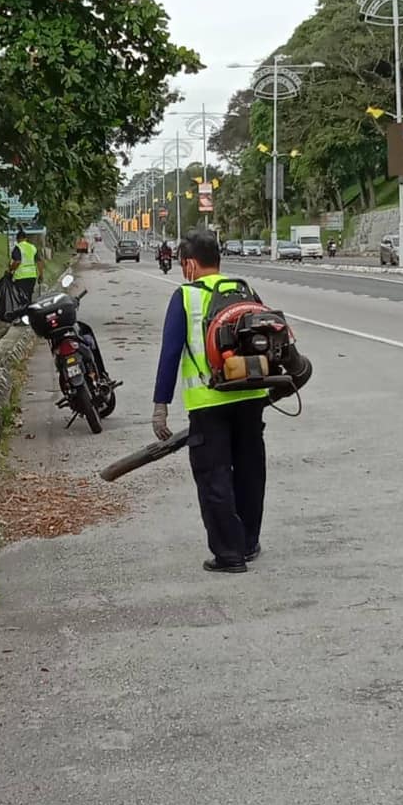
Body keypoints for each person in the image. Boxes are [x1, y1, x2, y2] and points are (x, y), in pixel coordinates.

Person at [152, 231, 269, 574]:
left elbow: (170, 353)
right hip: (251, 393)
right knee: (250, 471)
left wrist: (161, 405)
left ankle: (229, 554)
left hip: (208, 402)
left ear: (189, 264)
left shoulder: (186, 296)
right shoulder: (243, 289)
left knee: (214, 476)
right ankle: (248, 543)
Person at [10, 228, 43, 302]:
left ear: (17, 239)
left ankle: (23, 312)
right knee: (29, 296)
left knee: (21, 298)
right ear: (26, 238)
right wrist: (41, 275)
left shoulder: (18, 247)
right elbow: (39, 262)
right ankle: (28, 310)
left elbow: (17, 262)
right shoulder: (32, 247)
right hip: (32, 277)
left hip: (20, 278)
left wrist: (11, 269)